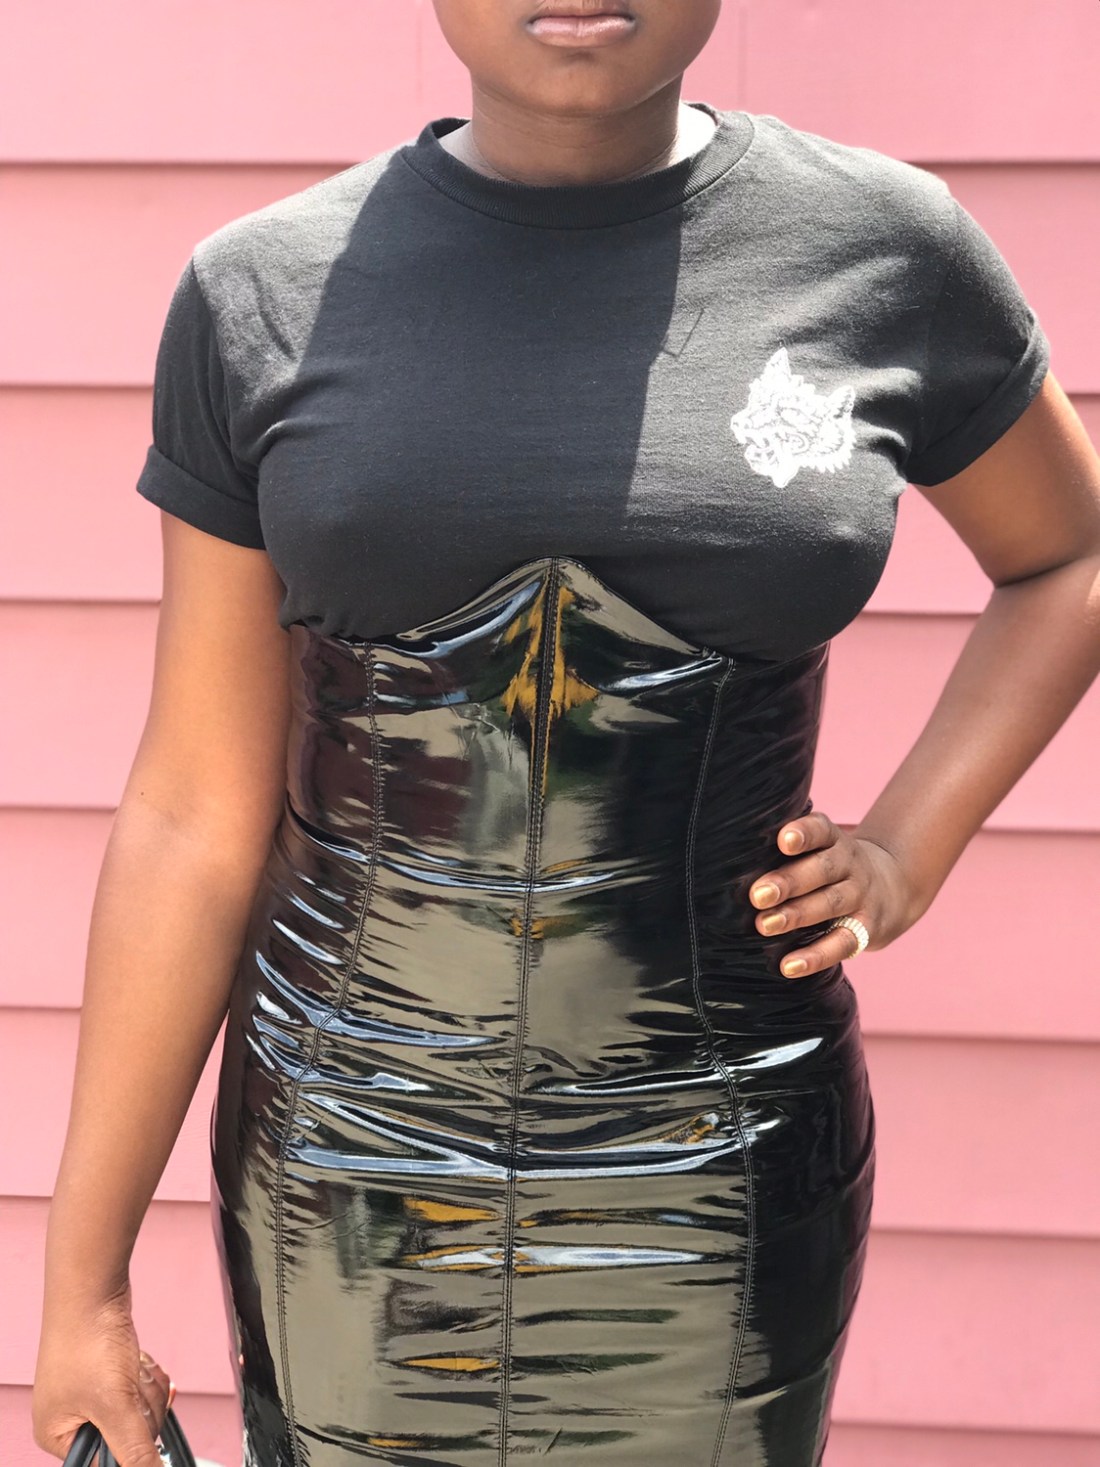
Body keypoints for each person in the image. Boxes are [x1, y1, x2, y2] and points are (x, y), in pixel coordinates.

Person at [31, 2, 1100, 1465]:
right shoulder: (263, 290)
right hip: (352, 1165)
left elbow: (1069, 558)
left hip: (722, 1158)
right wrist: (81, 1287)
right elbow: (192, 815)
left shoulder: (887, 251)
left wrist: (910, 848)